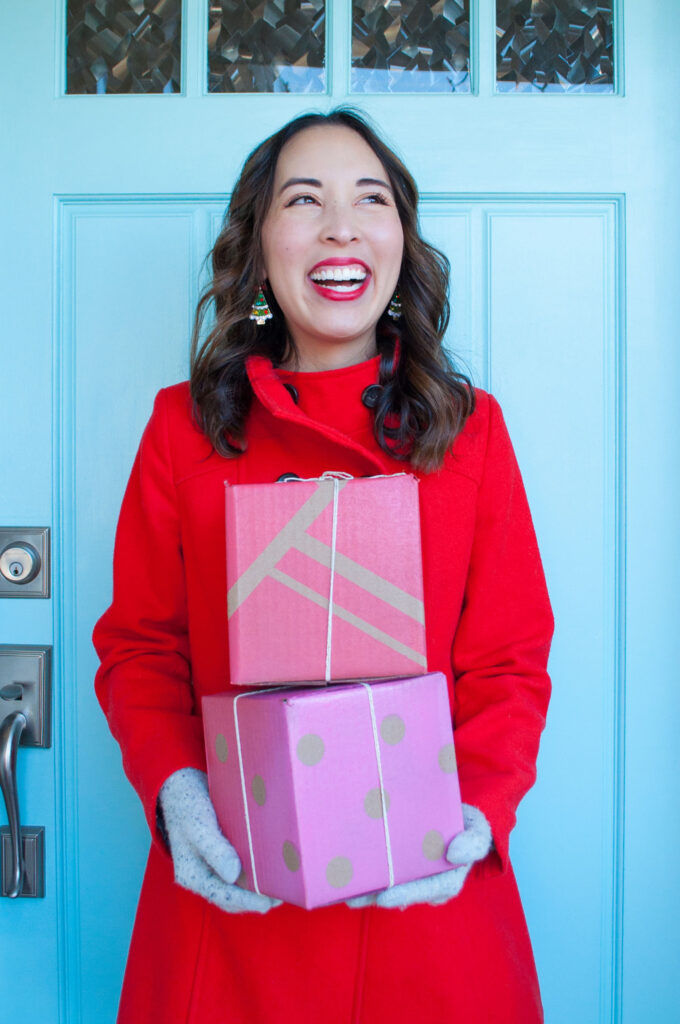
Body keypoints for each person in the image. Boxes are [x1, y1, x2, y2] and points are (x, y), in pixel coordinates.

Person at [93, 107, 553, 1024]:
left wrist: (477, 814)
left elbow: (509, 661)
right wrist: (177, 793)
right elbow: (142, 650)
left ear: (398, 246)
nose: (341, 224)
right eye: (304, 200)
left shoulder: (471, 433)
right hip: (233, 920)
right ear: (259, 251)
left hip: (428, 925)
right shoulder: (182, 433)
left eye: (369, 199)